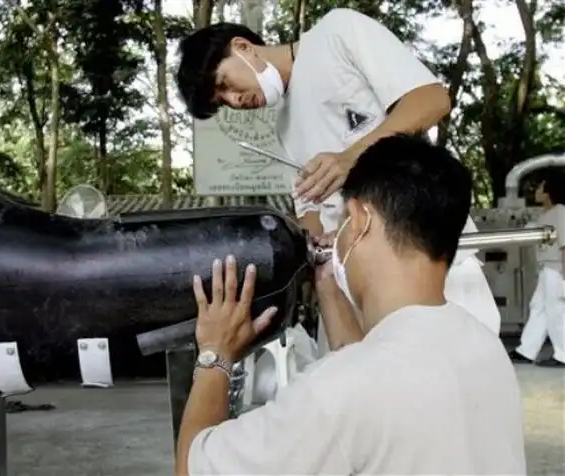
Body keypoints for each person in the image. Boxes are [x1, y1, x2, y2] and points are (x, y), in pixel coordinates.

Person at [175, 135, 526, 475]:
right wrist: (327, 285)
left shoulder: (336, 391)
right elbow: (372, 377)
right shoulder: (484, 347)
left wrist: (215, 354)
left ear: (359, 221)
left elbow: (193, 467)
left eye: (343, 219)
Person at [175, 7, 501, 339]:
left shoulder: (337, 33)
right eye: (223, 101)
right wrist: (312, 241)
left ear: (242, 47)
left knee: (458, 362)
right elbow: (310, 210)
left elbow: (431, 99)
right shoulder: (283, 127)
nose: (235, 99)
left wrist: (351, 158)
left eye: (225, 83)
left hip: (425, 255)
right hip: (356, 287)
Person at [509, 172, 565, 368]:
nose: (537, 190)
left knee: (555, 310)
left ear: (549, 192)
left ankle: (563, 354)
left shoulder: (560, 212)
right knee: (539, 307)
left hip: (557, 268)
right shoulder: (548, 214)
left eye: (541, 187)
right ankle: (526, 350)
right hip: (547, 268)